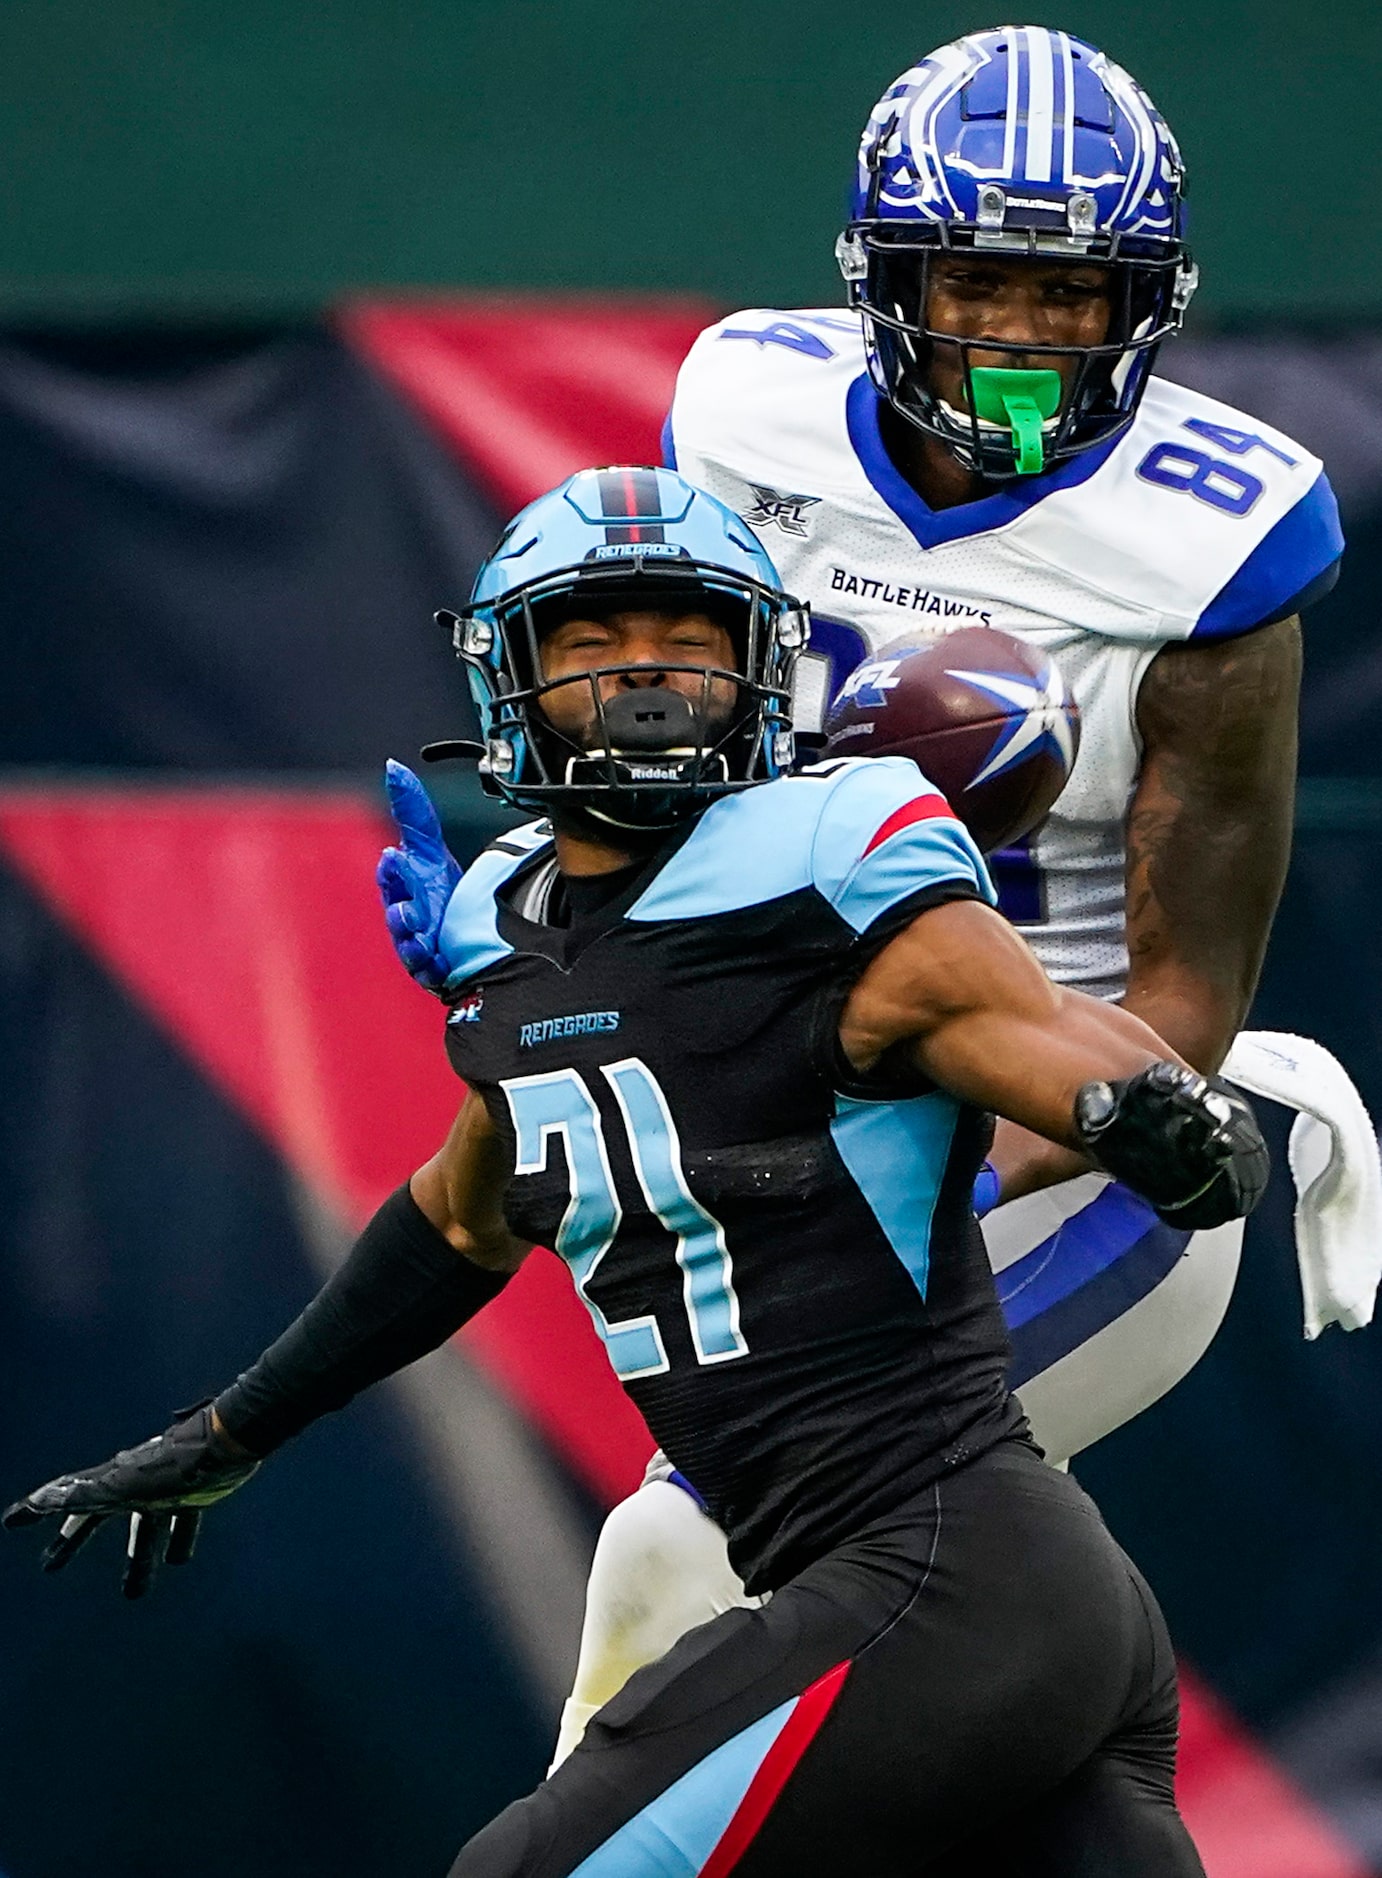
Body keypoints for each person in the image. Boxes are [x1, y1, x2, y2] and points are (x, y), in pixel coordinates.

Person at [6, 468, 1269, 1874]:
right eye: (594, 640)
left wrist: (1158, 1124)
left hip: (945, 1574)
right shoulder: (505, 920)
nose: (643, 676)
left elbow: (1047, 1044)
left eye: (684, 636)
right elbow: (460, 1218)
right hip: (956, 1594)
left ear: (756, 668)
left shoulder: (827, 859)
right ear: (512, 674)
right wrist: (226, 1436)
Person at [433, 27, 1341, 1762]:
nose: (1019, 332)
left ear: (1145, 306)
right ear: (881, 276)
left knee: (697, 1542)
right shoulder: (748, 413)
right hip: (819, 1078)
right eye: (980, 279)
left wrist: (887, 1149)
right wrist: (548, 913)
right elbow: (682, 767)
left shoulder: (1213, 548)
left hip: (1092, 1140)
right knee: (871, 1614)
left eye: (1073, 296)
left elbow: (1181, 1005)